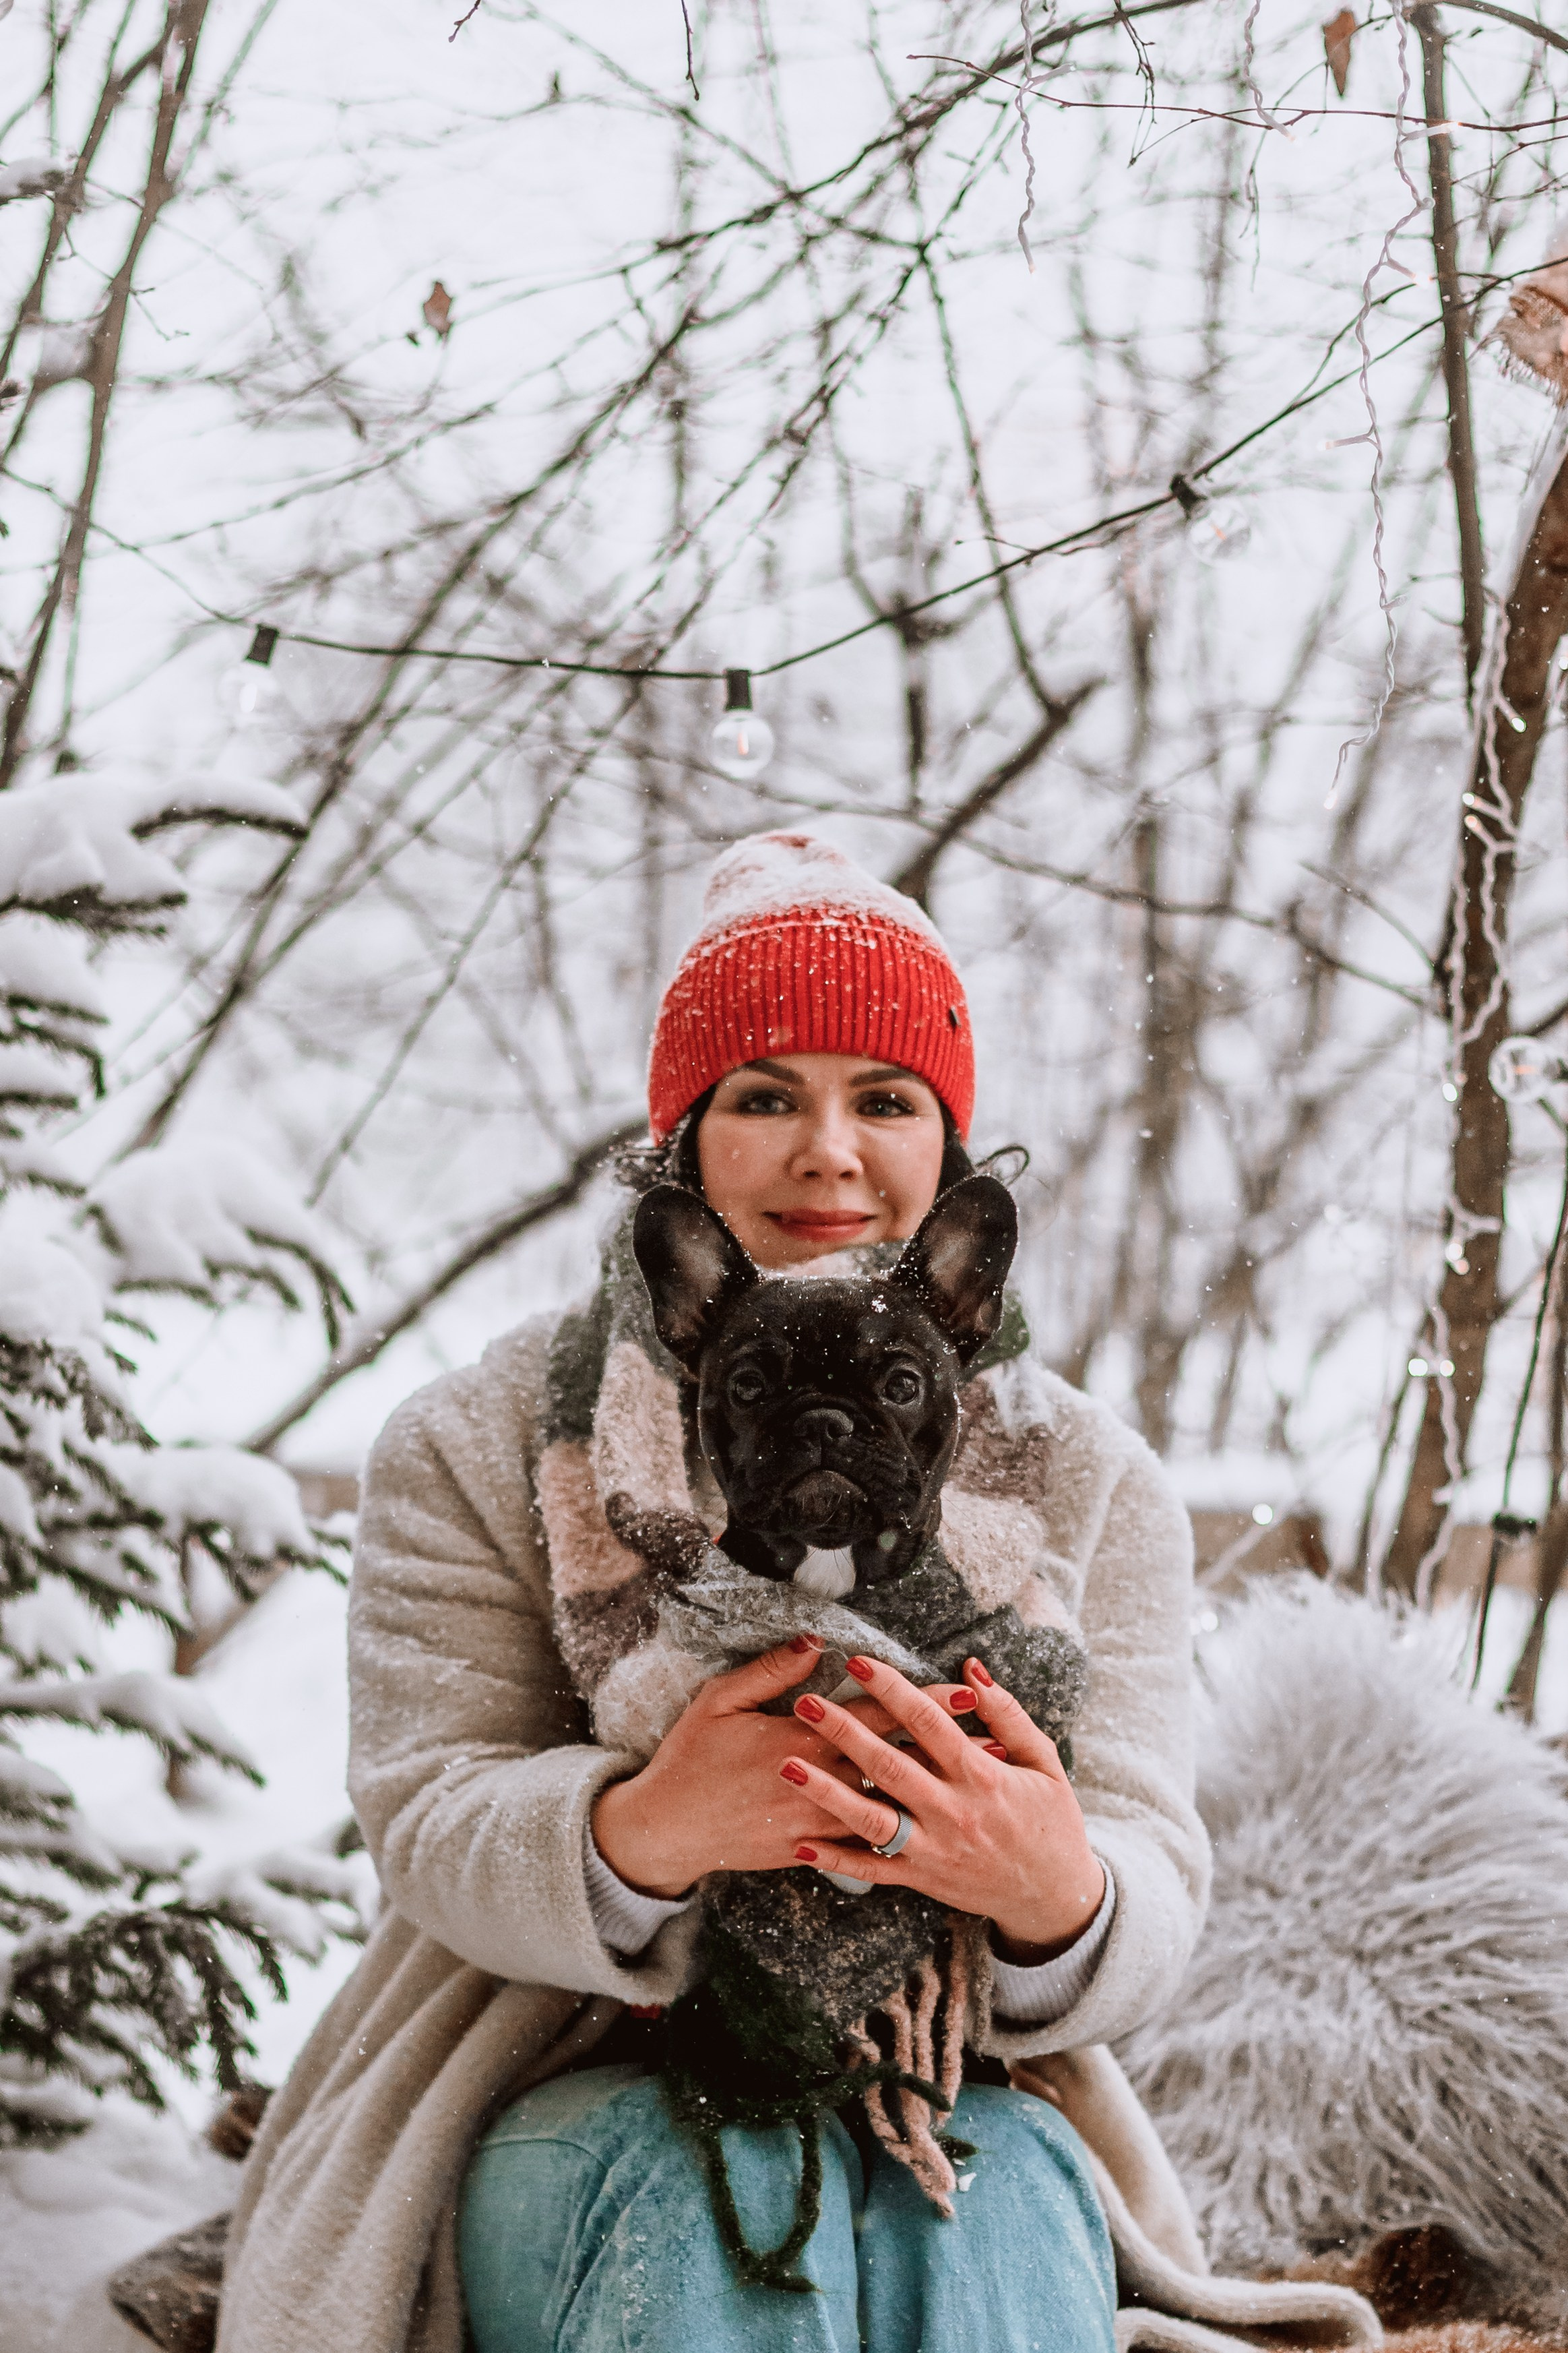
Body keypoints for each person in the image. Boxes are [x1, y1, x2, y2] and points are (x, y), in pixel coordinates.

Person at [216, 830, 1212, 2353]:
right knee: (693, 2191)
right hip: (555, 2068)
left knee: (997, 2200)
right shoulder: (479, 1441)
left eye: (886, 1100)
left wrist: (1053, 1889)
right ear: (681, 1147)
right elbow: (427, 1816)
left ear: (952, 1164)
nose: (830, 1150)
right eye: (766, 1097)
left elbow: (1153, 1868)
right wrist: (641, 1832)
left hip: (962, 2083)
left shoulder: (1088, 1477)